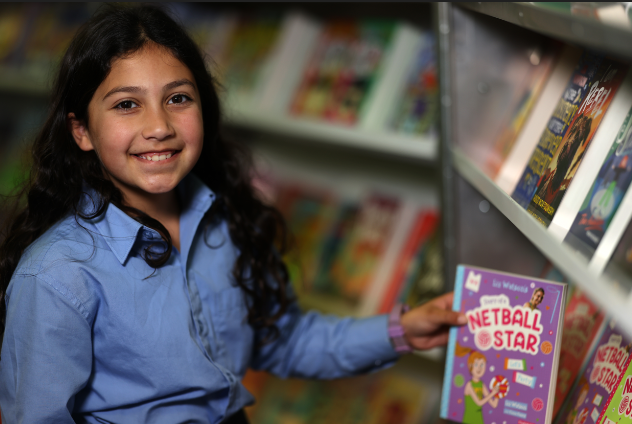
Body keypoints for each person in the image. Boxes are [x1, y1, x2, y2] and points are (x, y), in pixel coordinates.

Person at [0, 4, 467, 423]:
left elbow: (283, 340)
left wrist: (402, 331)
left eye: (178, 98)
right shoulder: (57, 275)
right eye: (127, 105)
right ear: (81, 131)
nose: (159, 126)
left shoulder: (226, 223)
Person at [455, 342, 499, 424]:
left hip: (479, 418)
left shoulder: (482, 384)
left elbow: (494, 405)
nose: (479, 368)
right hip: (469, 418)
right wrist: (493, 393)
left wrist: (498, 394)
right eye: (476, 365)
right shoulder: (469, 385)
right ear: (470, 366)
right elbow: (479, 403)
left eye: (482, 365)